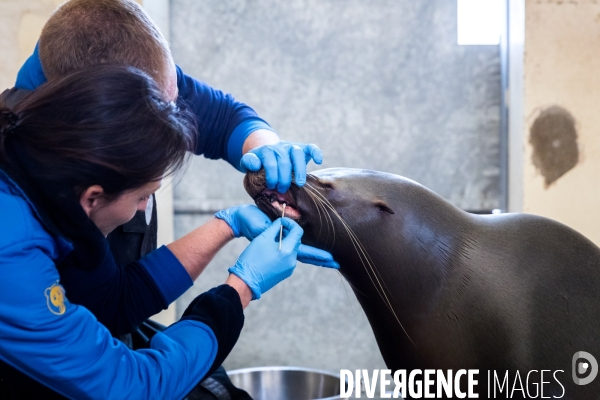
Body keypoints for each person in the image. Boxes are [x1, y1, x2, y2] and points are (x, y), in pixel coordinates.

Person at [0, 64, 315, 399]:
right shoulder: (13, 256)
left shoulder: (37, 169)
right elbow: (133, 388)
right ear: (93, 197)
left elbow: (110, 300)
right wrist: (242, 287)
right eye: (143, 197)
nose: (142, 210)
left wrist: (229, 223)